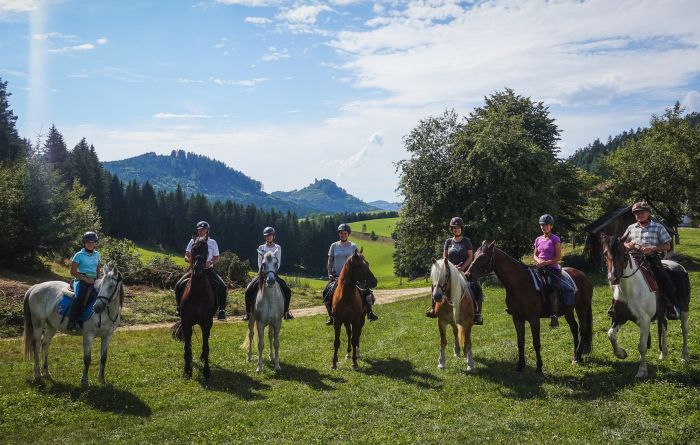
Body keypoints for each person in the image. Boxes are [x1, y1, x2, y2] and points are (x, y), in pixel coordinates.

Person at [620, 201, 680, 320]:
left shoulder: (658, 227)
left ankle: (671, 305)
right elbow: (623, 243)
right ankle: (617, 304)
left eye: (642, 213)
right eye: (636, 214)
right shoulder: (631, 228)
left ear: (648, 213)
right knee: (618, 276)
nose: (639, 215)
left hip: (651, 258)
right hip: (632, 258)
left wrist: (654, 248)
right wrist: (628, 245)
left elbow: (667, 246)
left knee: (664, 277)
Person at [426, 217, 484, 325]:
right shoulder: (448, 242)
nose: (456, 230)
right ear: (451, 229)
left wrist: (462, 268)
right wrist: (450, 268)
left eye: (458, 228)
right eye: (454, 228)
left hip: (464, 271)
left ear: (461, 229)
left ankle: (477, 312)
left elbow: (470, 257)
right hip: (450, 272)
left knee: (476, 287)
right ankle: (434, 308)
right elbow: (445, 257)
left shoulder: (466, 241)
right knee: (435, 284)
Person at [322, 223, 378, 325]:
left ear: (348, 234)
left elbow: (360, 261)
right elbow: (330, 260)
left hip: (352, 277)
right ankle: (331, 315)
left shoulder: (353, 246)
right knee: (326, 292)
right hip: (337, 276)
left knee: (367, 292)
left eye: (345, 233)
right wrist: (329, 272)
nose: (343, 235)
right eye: (341, 233)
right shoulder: (334, 246)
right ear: (339, 234)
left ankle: (370, 312)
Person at [175, 221, 228, 320]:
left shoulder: (212, 242)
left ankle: (221, 310)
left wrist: (210, 262)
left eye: (203, 230)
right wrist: (190, 260)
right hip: (194, 270)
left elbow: (217, 257)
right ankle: (179, 308)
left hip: (208, 270)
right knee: (178, 285)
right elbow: (186, 254)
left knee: (223, 287)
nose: (201, 231)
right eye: (199, 230)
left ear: (207, 231)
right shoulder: (192, 241)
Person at [242, 226, 294, 321]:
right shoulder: (261, 248)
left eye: (270, 235)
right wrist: (263, 272)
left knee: (287, 290)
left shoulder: (277, 247)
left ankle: (286, 311)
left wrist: (272, 272)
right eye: (266, 236)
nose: (268, 237)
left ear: (273, 236)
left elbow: (278, 262)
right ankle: (248, 313)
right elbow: (259, 262)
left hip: (273, 273)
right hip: (262, 274)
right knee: (248, 290)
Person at [533, 214, 566, 328]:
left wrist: (546, 263)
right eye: (542, 225)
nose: (544, 227)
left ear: (551, 226)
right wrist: (538, 261)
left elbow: (559, 257)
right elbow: (535, 255)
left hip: (552, 268)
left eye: (546, 225)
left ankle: (554, 316)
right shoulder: (538, 239)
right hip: (540, 267)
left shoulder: (555, 239)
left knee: (551, 287)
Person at [67, 231, 101, 331]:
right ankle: (72, 322)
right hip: (81, 279)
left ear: (95, 243)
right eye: (88, 242)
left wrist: (99, 279)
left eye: (92, 242)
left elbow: (97, 268)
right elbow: (73, 272)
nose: (90, 244)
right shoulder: (78, 255)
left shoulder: (97, 254)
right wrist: (86, 279)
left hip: (94, 280)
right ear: (84, 243)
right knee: (79, 297)